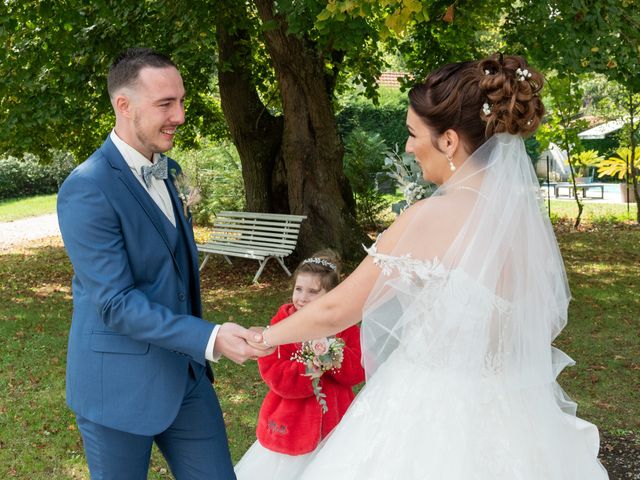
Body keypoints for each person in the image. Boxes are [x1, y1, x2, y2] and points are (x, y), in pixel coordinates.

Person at [250, 54, 609, 479]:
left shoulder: (425, 218)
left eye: (412, 133)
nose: (407, 146)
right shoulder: (518, 225)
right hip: (515, 412)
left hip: (424, 414)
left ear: (450, 141)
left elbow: (336, 310)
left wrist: (263, 338)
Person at [57, 47, 271, 479]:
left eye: (182, 100)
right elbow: (115, 302)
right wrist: (210, 336)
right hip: (115, 388)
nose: (180, 115)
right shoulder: (87, 187)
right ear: (124, 105)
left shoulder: (167, 170)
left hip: (186, 378)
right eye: (165, 104)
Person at [235, 250, 365, 480]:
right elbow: (276, 375)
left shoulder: (345, 327)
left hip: (336, 420)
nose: (302, 297)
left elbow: (357, 372)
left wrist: (332, 352)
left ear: (331, 295)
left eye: (313, 291)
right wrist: (311, 367)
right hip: (293, 422)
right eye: (298, 289)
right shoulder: (281, 326)